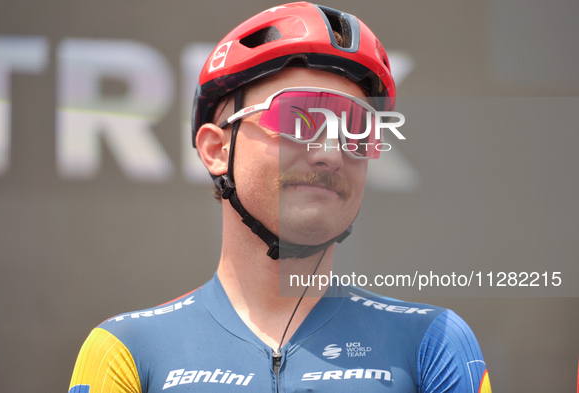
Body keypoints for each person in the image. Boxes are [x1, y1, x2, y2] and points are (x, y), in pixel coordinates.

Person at [68, 3, 492, 392]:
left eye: (357, 129)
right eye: (298, 118)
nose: (330, 153)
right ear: (216, 150)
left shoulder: (433, 342)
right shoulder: (127, 351)